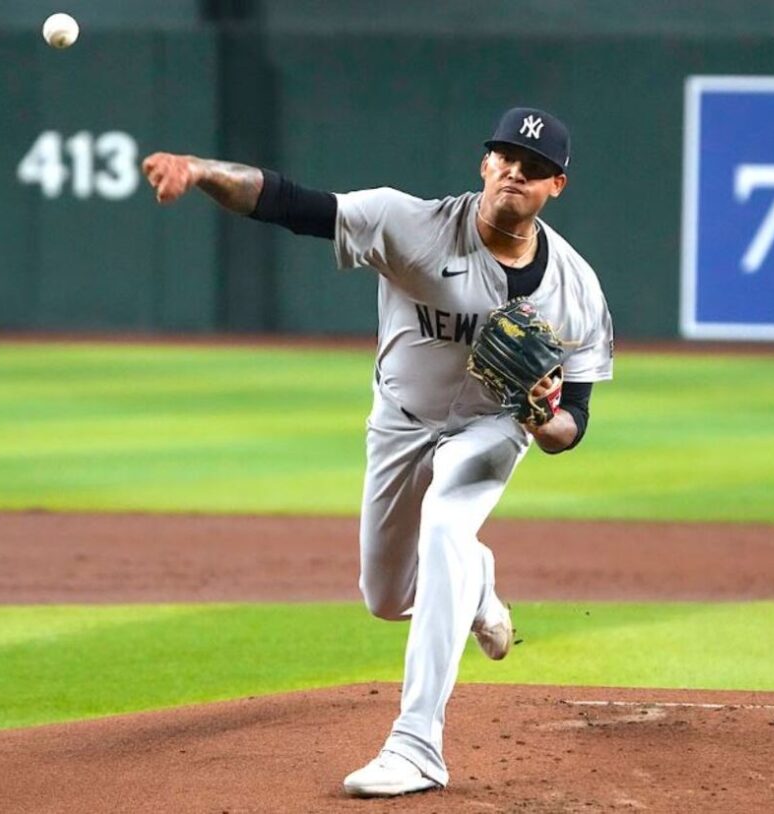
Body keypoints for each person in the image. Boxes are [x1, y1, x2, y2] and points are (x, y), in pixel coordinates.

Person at [142, 106, 613, 797]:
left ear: (556, 186)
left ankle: (418, 745)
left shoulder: (576, 288)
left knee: (449, 523)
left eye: (535, 167)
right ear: (485, 163)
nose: (517, 171)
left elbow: (573, 418)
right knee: (388, 597)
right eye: (506, 157)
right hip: (399, 423)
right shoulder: (410, 223)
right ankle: (477, 585)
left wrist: (543, 421)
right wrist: (202, 171)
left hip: (489, 428)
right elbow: (291, 204)